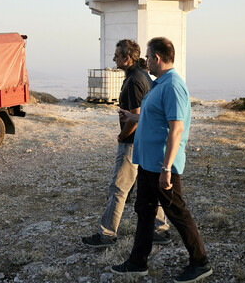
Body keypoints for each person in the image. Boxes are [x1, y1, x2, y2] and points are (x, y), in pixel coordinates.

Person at [112, 37, 212, 283]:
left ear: (157, 58)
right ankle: (137, 263)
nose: (145, 61)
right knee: (144, 211)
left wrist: (167, 168)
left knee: (177, 211)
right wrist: (131, 117)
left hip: (161, 166)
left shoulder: (173, 86)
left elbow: (176, 129)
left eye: (147, 56)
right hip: (147, 163)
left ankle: (200, 263)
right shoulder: (159, 83)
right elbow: (153, 117)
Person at [82, 39, 170, 248]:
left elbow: (137, 115)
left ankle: (107, 234)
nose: (113, 58)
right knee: (149, 186)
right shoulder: (143, 77)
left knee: (119, 188)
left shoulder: (133, 81)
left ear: (127, 58)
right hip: (145, 142)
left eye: (117, 55)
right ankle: (161, 229)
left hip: (132, 143)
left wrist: (123, 136)